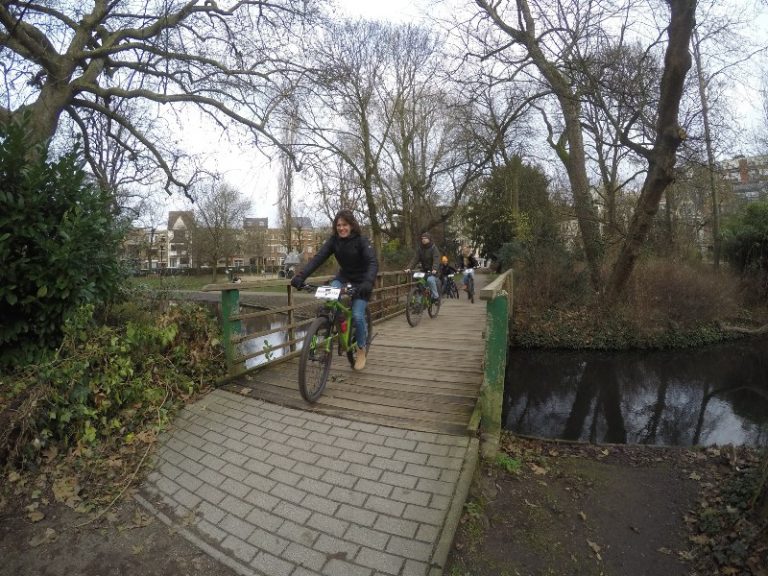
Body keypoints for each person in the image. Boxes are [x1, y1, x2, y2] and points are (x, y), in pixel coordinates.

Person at [290, 210, 378, 370]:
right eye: (338, 225)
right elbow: (318, 258)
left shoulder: (362, 240)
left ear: (351, 225)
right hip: (343, 278)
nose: (341, 228)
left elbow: (372, 262)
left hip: (362, 281)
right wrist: (301, 276)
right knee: (330, 303)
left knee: (358, 316)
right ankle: (339, 324)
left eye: (345, 225)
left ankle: (361, 348)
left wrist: (368, 281)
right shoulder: (334, 241)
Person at [405, 232, 440, 301]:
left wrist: (434, 269)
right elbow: (415, 259)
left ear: (429, 239)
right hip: (424, 271)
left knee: (430, 280)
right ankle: (419, 302)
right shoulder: (420, 249)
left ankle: (436, 296)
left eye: (425, 238)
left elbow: (436, 259)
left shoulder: (434, 248)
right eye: (422, 238)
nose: (423, 240)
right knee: (419, 282)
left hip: (433, 271)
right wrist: (409, 268)